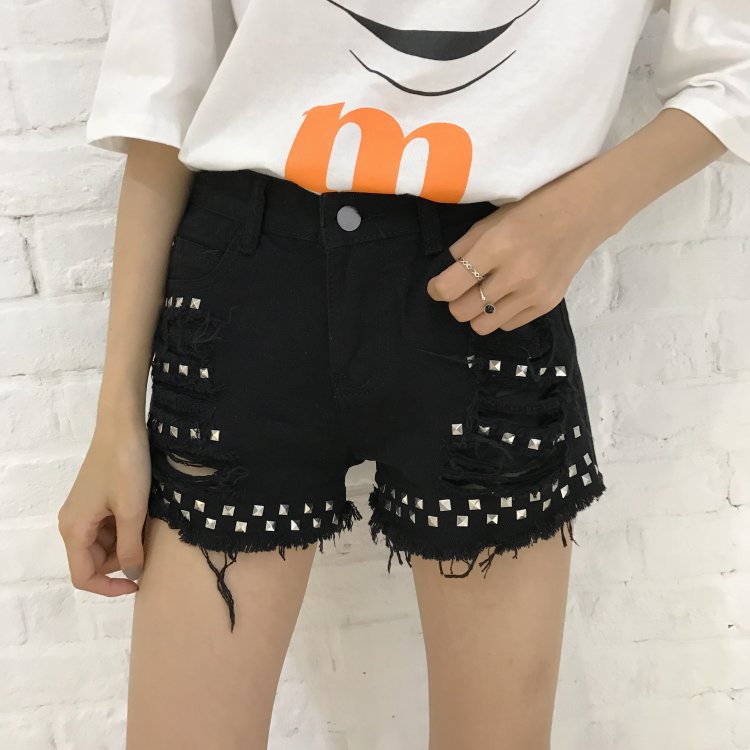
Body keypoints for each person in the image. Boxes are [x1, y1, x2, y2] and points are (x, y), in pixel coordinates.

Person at [57, 1, 749, 748]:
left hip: (488, 290)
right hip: (244, 296)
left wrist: (575, 217)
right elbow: (164, 100)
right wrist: (115, 416)